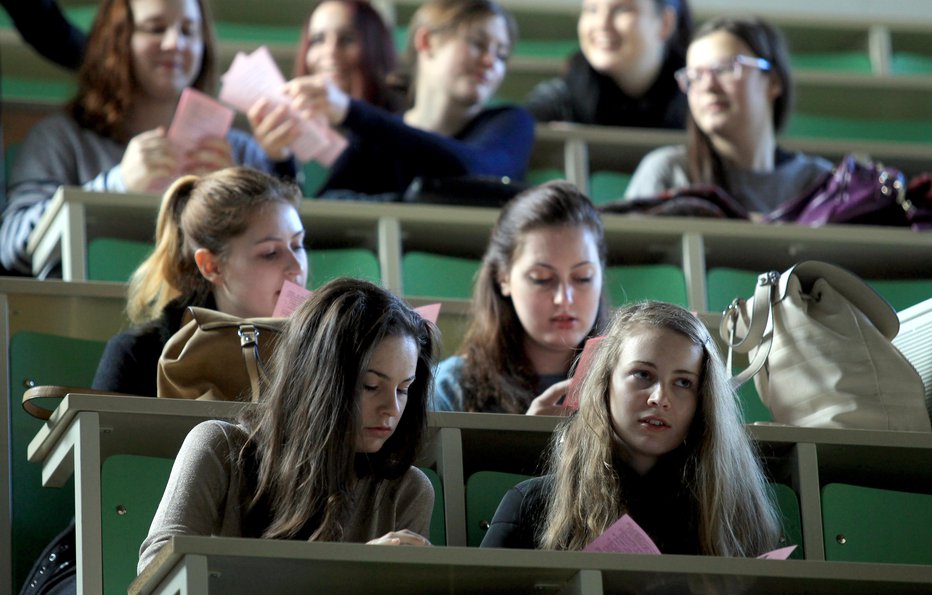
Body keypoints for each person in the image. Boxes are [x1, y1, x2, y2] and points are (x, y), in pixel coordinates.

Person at [138, 278, 438, 573]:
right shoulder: (217, 447)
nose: (392, 408)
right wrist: (347, 572)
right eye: (371, 386)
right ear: (318, 382)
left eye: (403, 389)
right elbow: (158, 568)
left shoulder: (408, 490)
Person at [0, 0, 298, 276]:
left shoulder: (240, 151)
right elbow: (11, 247)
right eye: (155, 28)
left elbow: (293, 256)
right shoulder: (60, 137)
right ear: (117, 39)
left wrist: (235, 196)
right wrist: (116, 185)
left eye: (188, 31)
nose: (175, 43)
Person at [480, 301, 782, 556]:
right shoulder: (532, 504)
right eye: (642, 374)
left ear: (702, 401)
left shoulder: (735, 514)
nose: (660, 398)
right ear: (605, 384)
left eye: (683, 382)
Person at [284, 0, 535, 199]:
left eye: (501, 55)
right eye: (478, 44)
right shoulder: (376, 137)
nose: (490, 62)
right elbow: (328, 207)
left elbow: (479, 171)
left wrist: (351, 111)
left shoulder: (511, 121)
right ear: (426, 42)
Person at [91, 166, 308, 397]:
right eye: (270, 253)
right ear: (211, 266)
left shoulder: (328, 345)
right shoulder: (138, 356)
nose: (297, 267)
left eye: (297, 245)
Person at [624, 16, 832, 214]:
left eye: (725, 69)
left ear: (773, 81)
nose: (707, 86)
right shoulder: (667, 173)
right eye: (694, 76)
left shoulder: (819, 182)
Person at [432, 181, 608, 415]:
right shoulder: (451, 387)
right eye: (542, 278)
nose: (564, 298)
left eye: (583, 277)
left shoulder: (630, 385)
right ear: (503, 278)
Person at [527, 0, 693, 129]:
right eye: (592, 9)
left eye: (621, 9)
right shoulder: (558, 102)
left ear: (665, 23)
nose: (602, 24)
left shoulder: (698, 100)